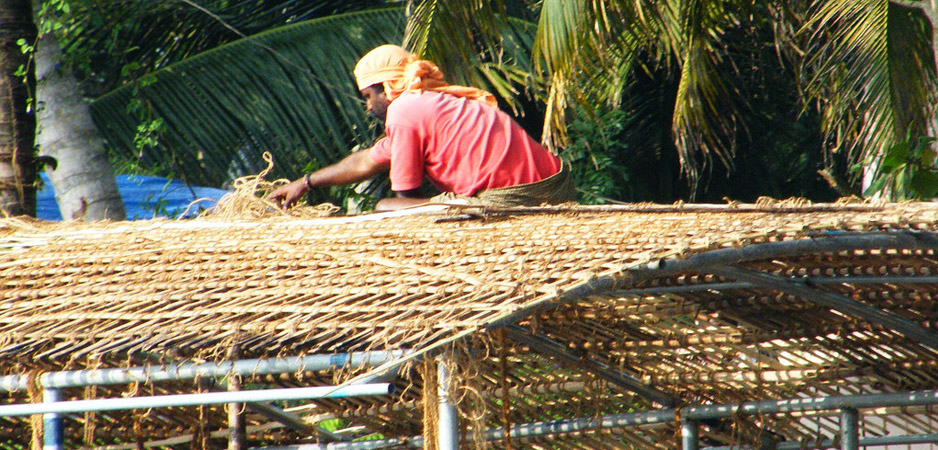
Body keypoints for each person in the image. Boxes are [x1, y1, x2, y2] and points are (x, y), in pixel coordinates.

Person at [267, 44, 575, 212]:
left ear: (386, 87)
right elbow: (365, 160)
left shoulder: (403, 111)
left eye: (368, 96)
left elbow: (406, 196)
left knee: (387, 206)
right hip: (557, 185)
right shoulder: (435, 103)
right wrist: (305, 183)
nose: (368, 106)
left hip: (516, 198)